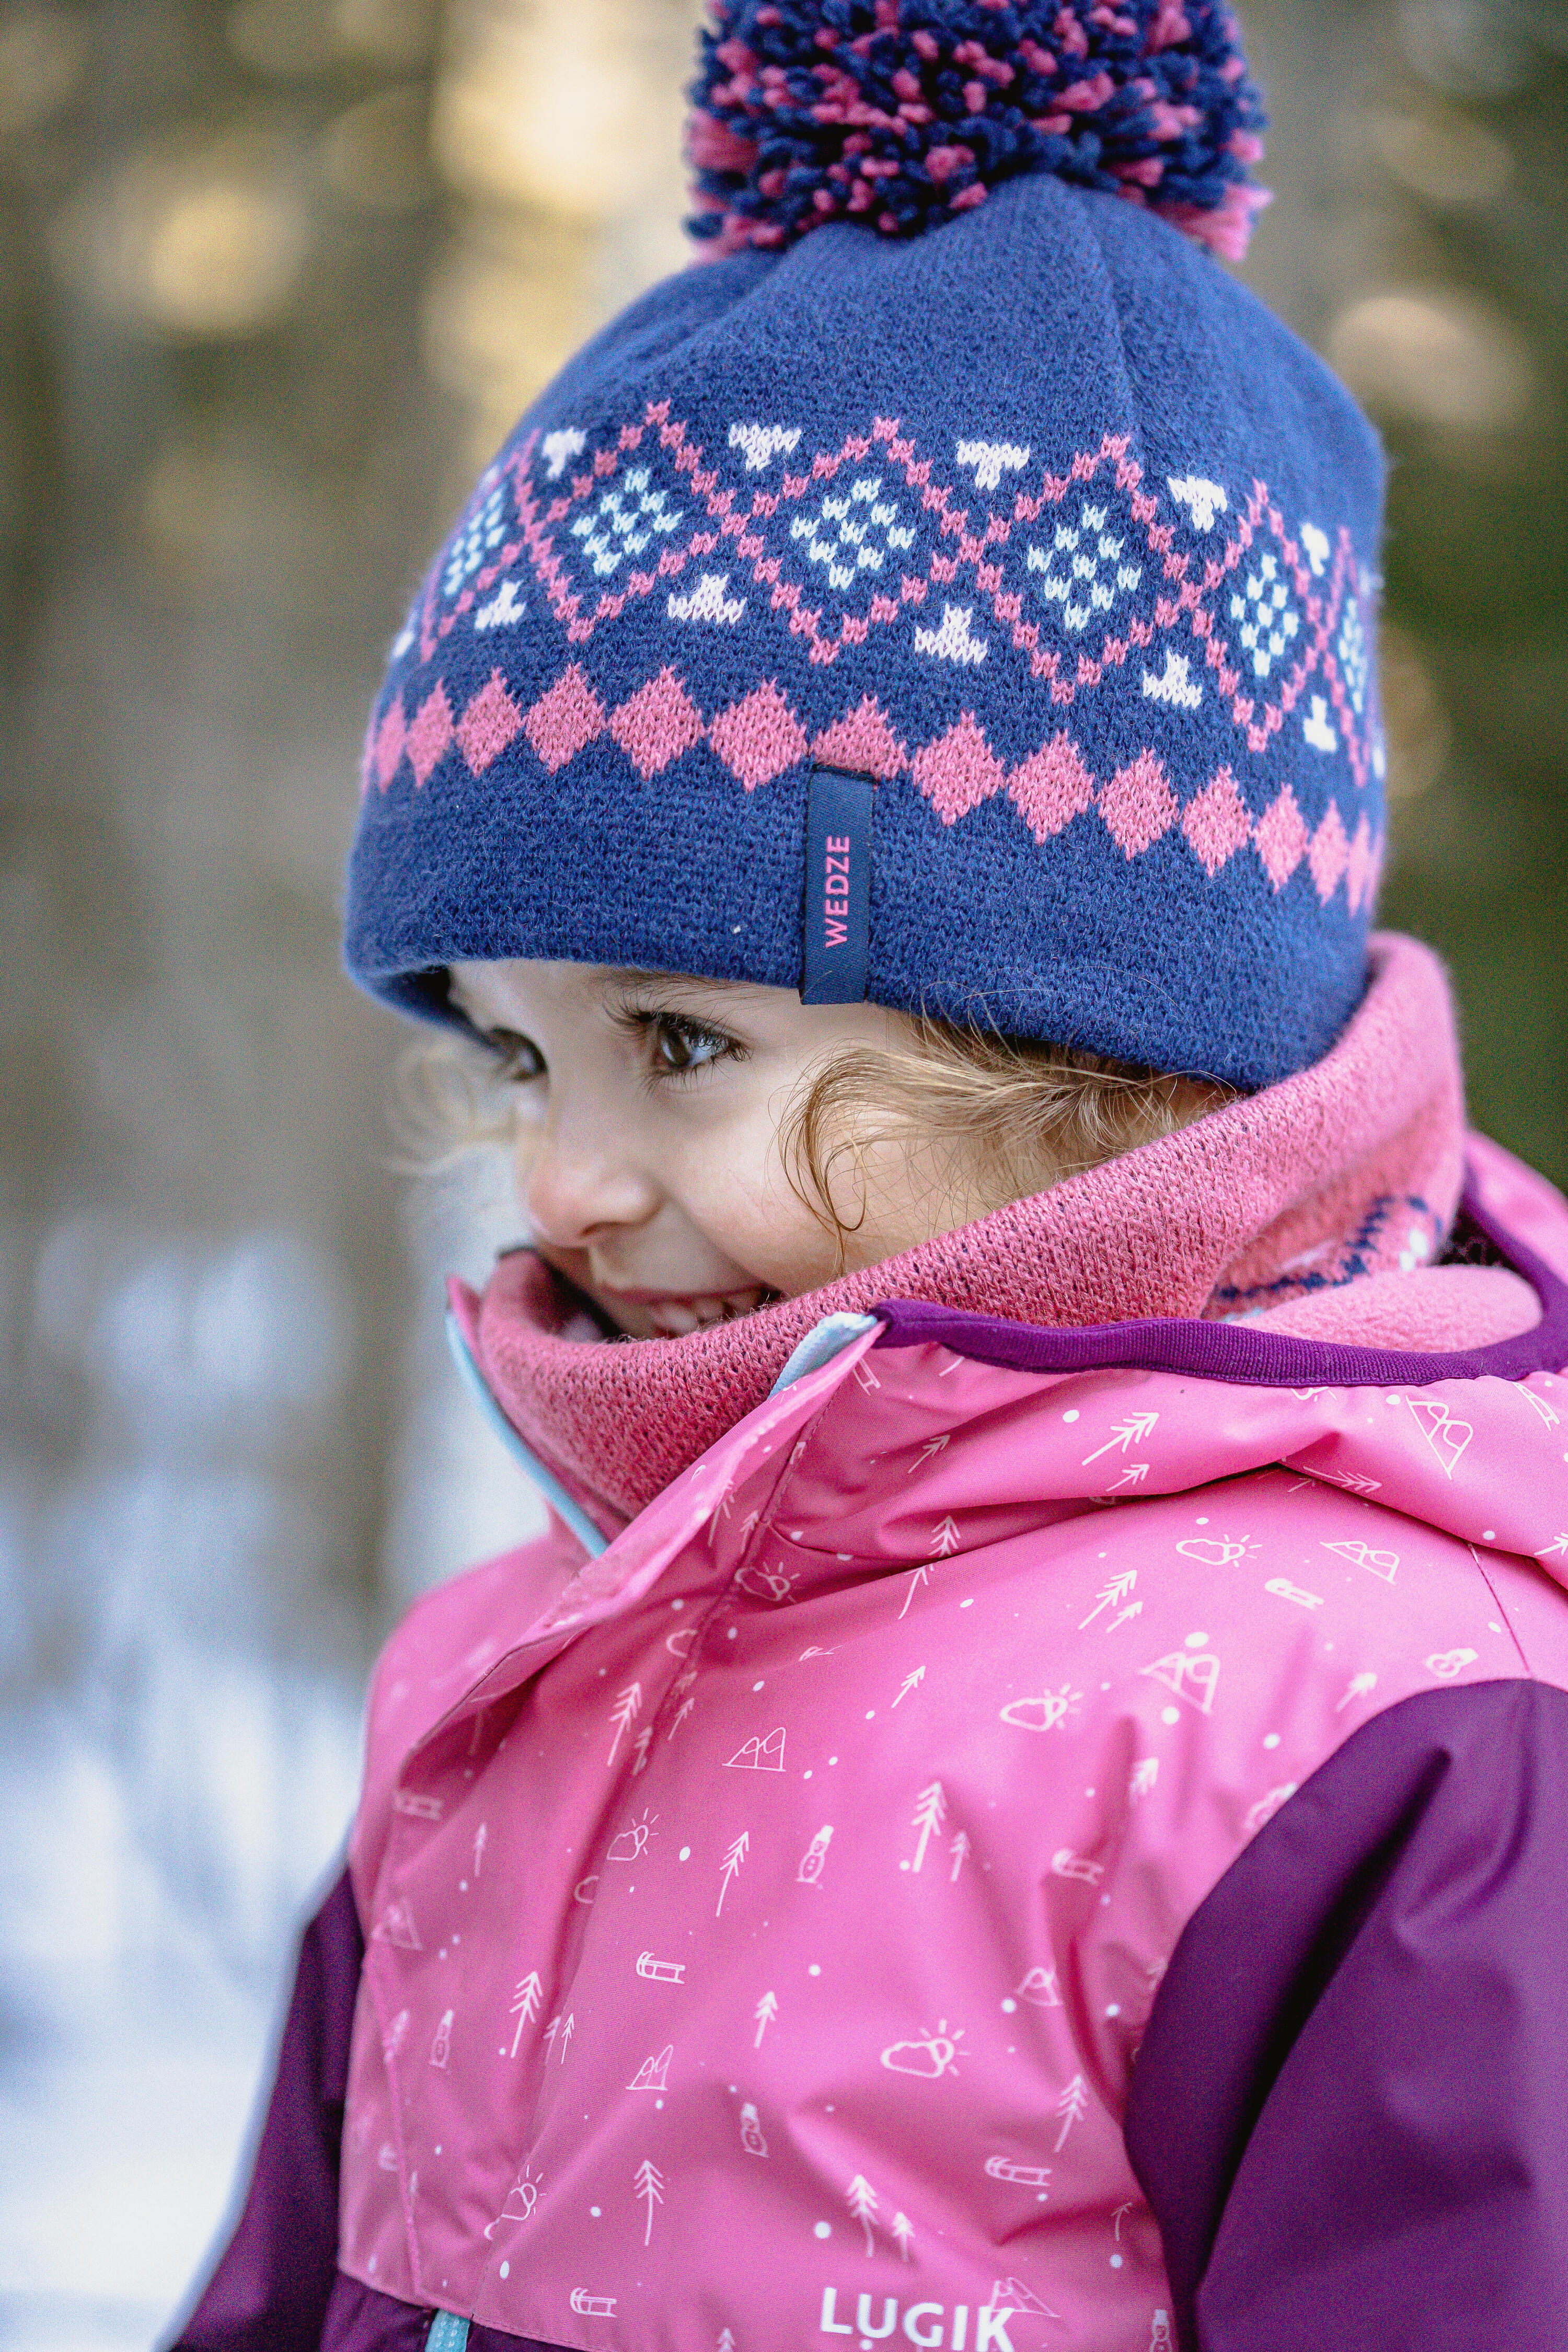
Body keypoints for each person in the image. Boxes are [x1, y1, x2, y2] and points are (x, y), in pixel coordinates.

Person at [171, 3, 1568, 2347]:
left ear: (1100, 1046)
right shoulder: (511, 1672)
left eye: (682, 1044)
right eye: (515, 1049)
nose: (567, 1176)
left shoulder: (1368, 1728)